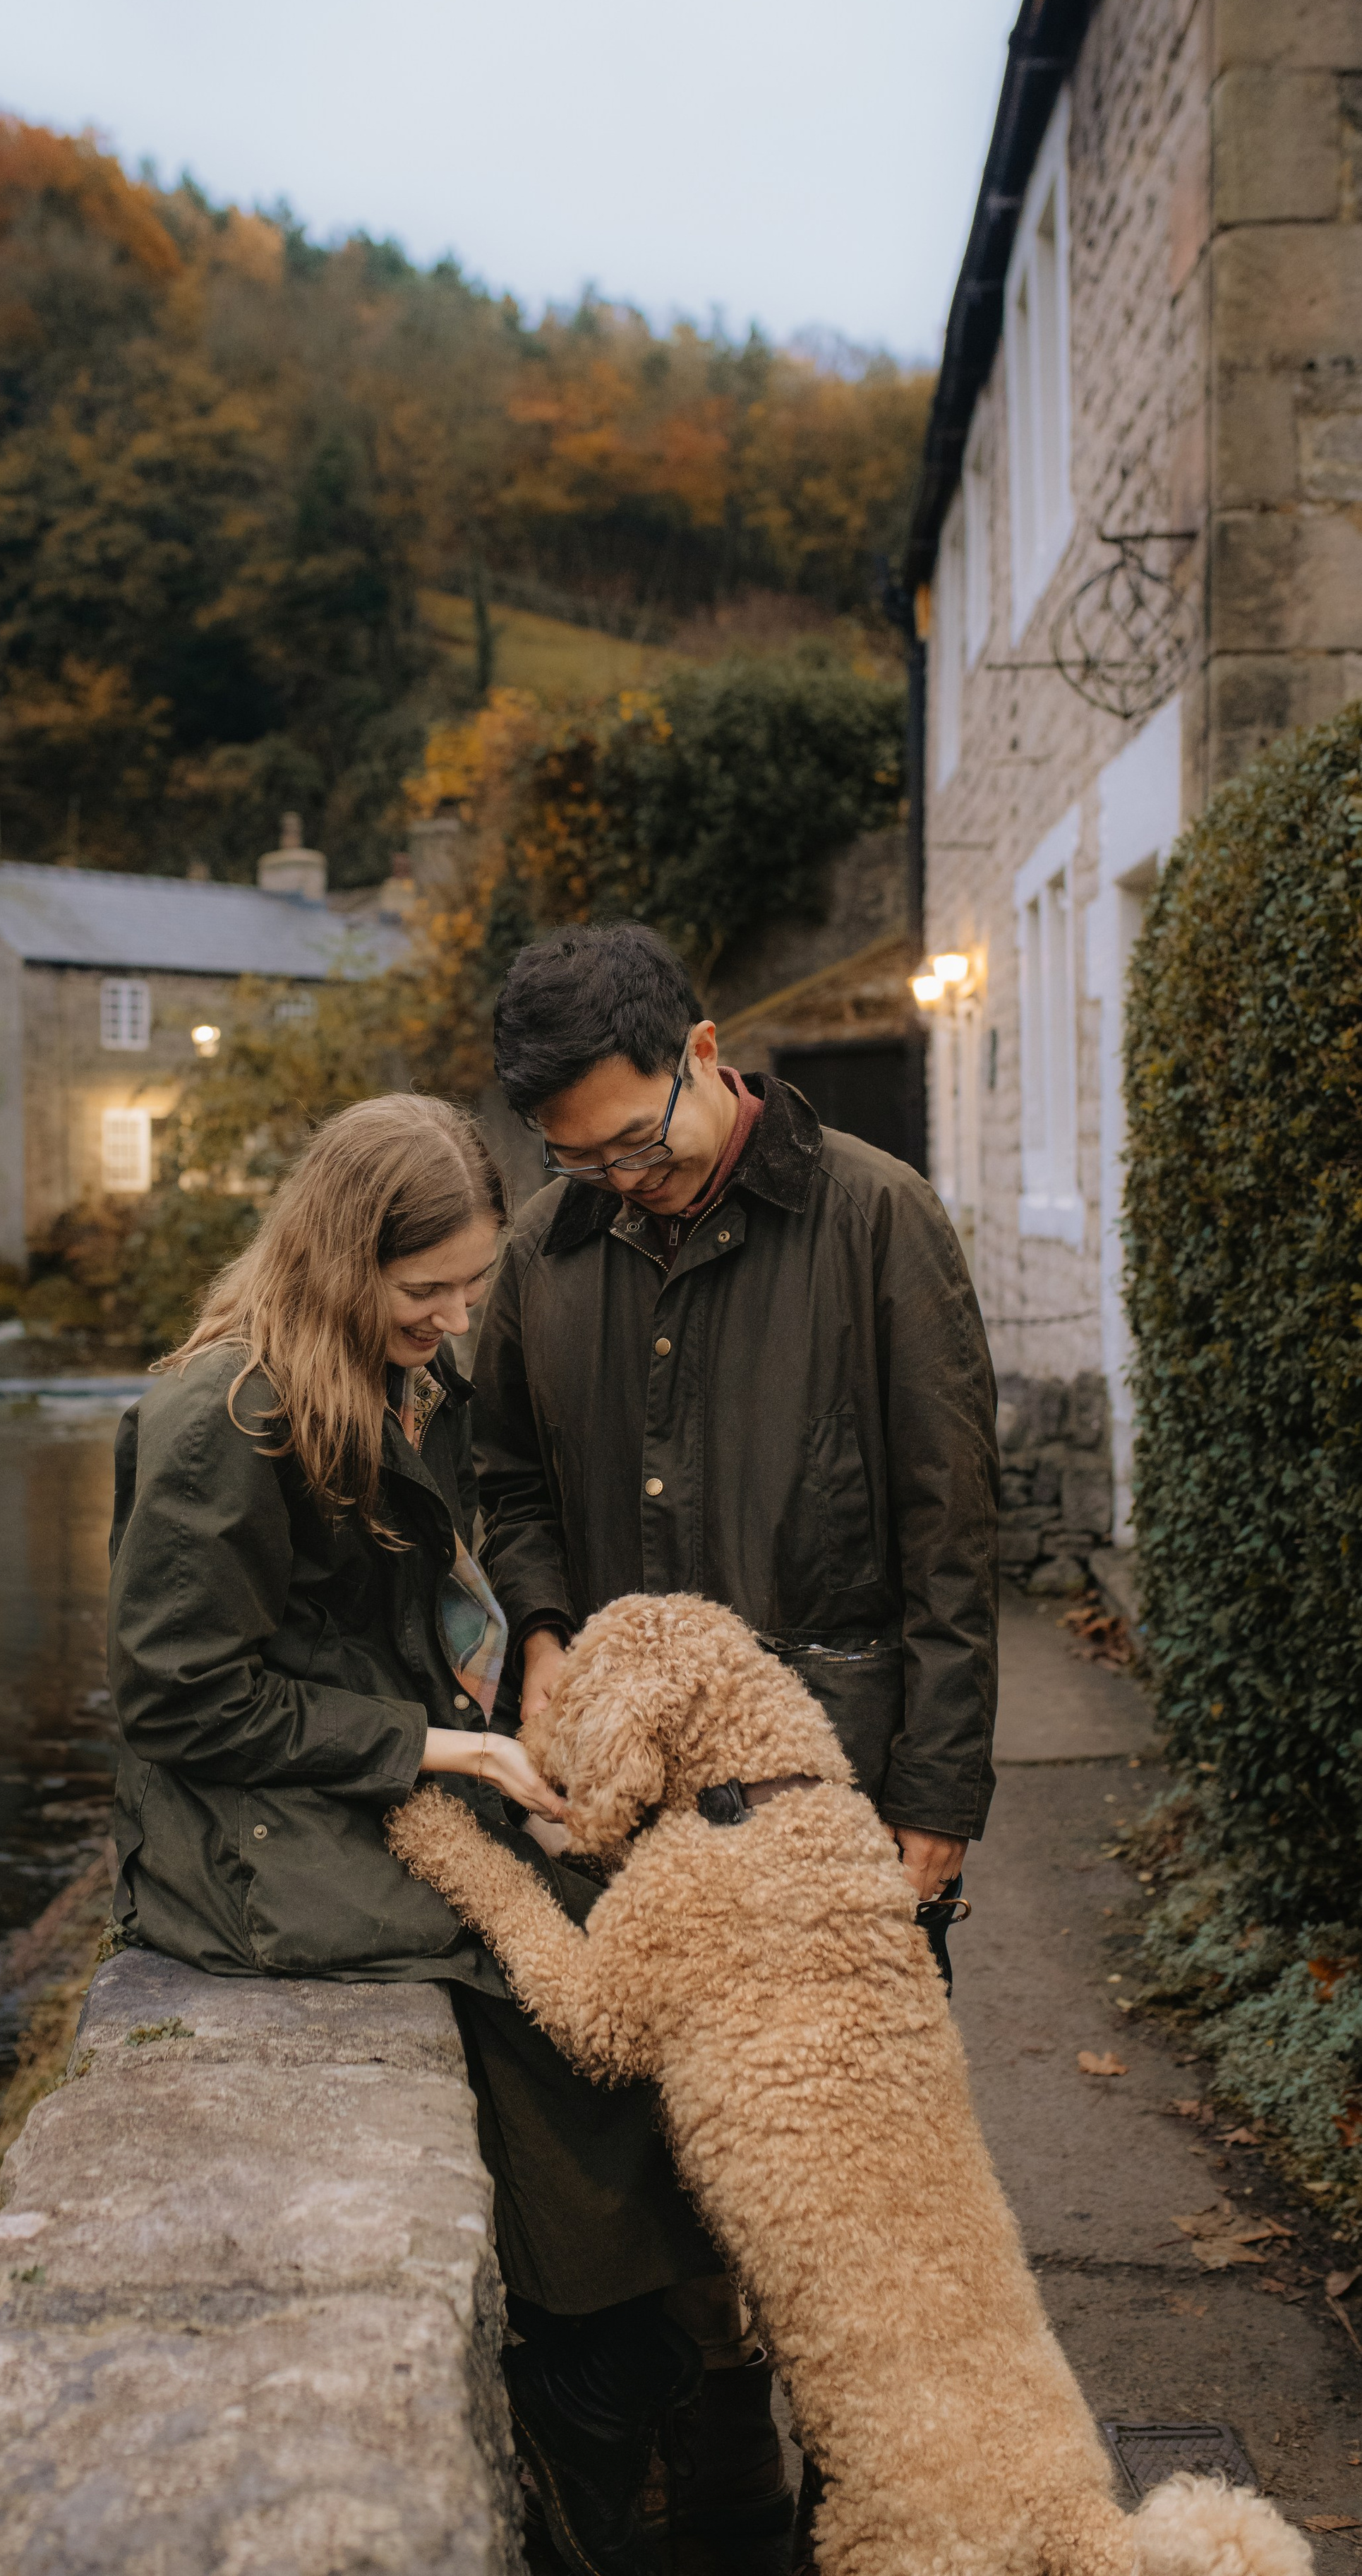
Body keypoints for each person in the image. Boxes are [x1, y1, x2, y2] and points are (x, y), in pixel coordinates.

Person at [106, 1093, 718, 2576]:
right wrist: (445, 1744)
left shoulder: (373, 1377)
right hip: (241, 1837)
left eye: (467, 1287)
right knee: (550, 2010)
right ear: (334, 1257)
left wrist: (497, 1715)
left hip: (357, 1767)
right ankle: (590, 2415)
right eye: (423, 1291)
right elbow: (180, 1701)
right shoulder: (219, 1419)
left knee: (630, 1943)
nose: (451, 1322)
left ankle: (636, 2390)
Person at [473, 920, 1000, 2570]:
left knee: (853, 2194)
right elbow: (502, 1485)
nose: (617, 1180)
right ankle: (725, 2490)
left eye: (636, 1138)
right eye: (578, 1157)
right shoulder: (545, 1254)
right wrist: (545, 1624)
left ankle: (889, 2505)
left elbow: (951, 1535)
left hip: (831, 1802)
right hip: (627, 1811)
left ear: (702, 1052)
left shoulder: (876, 1218)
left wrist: (936, 1797)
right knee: (669, 2168)